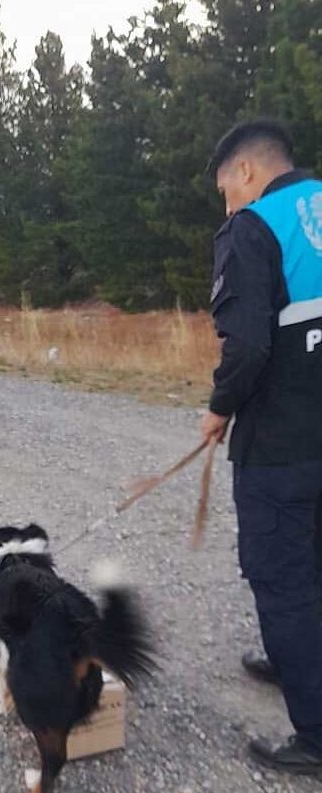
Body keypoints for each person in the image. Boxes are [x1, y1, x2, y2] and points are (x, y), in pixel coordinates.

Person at [202, 120, 322, 775]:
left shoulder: (254, 228)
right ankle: (295, 660)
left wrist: (219, 408)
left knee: (281, 578)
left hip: (281, 443)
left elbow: (247, 346)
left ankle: (317, 738)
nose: (227, 206)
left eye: (225, 191)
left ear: (246, 173)